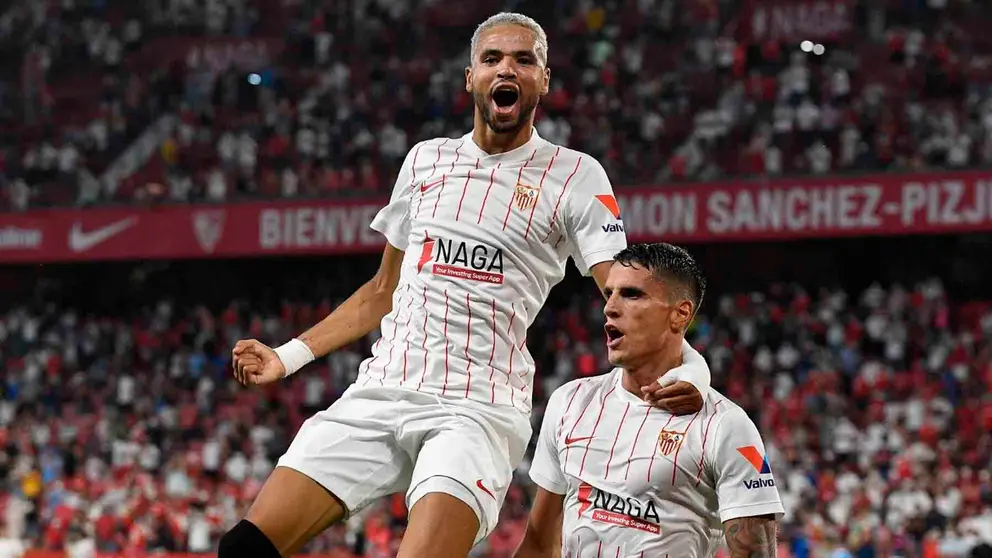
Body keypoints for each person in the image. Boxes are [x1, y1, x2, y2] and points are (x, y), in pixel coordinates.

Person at [219, 14, 712, 558]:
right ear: (470, 77)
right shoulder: (426, 160)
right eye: (492, 58)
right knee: (243, 549)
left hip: (477, 411)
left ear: (544, 80)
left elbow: (627, 293)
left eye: (524, 60)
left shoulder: (575, 175)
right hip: (381, 391)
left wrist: (692, 370)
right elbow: (383, 290)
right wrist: (285, 358)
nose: (508, 68)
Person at [514, 243, 785, 558]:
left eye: (631, 294)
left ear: (679, 314)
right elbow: (538, 544)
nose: (609, 308)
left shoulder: (726, 426)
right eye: (609, 294)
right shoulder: (570, 403)